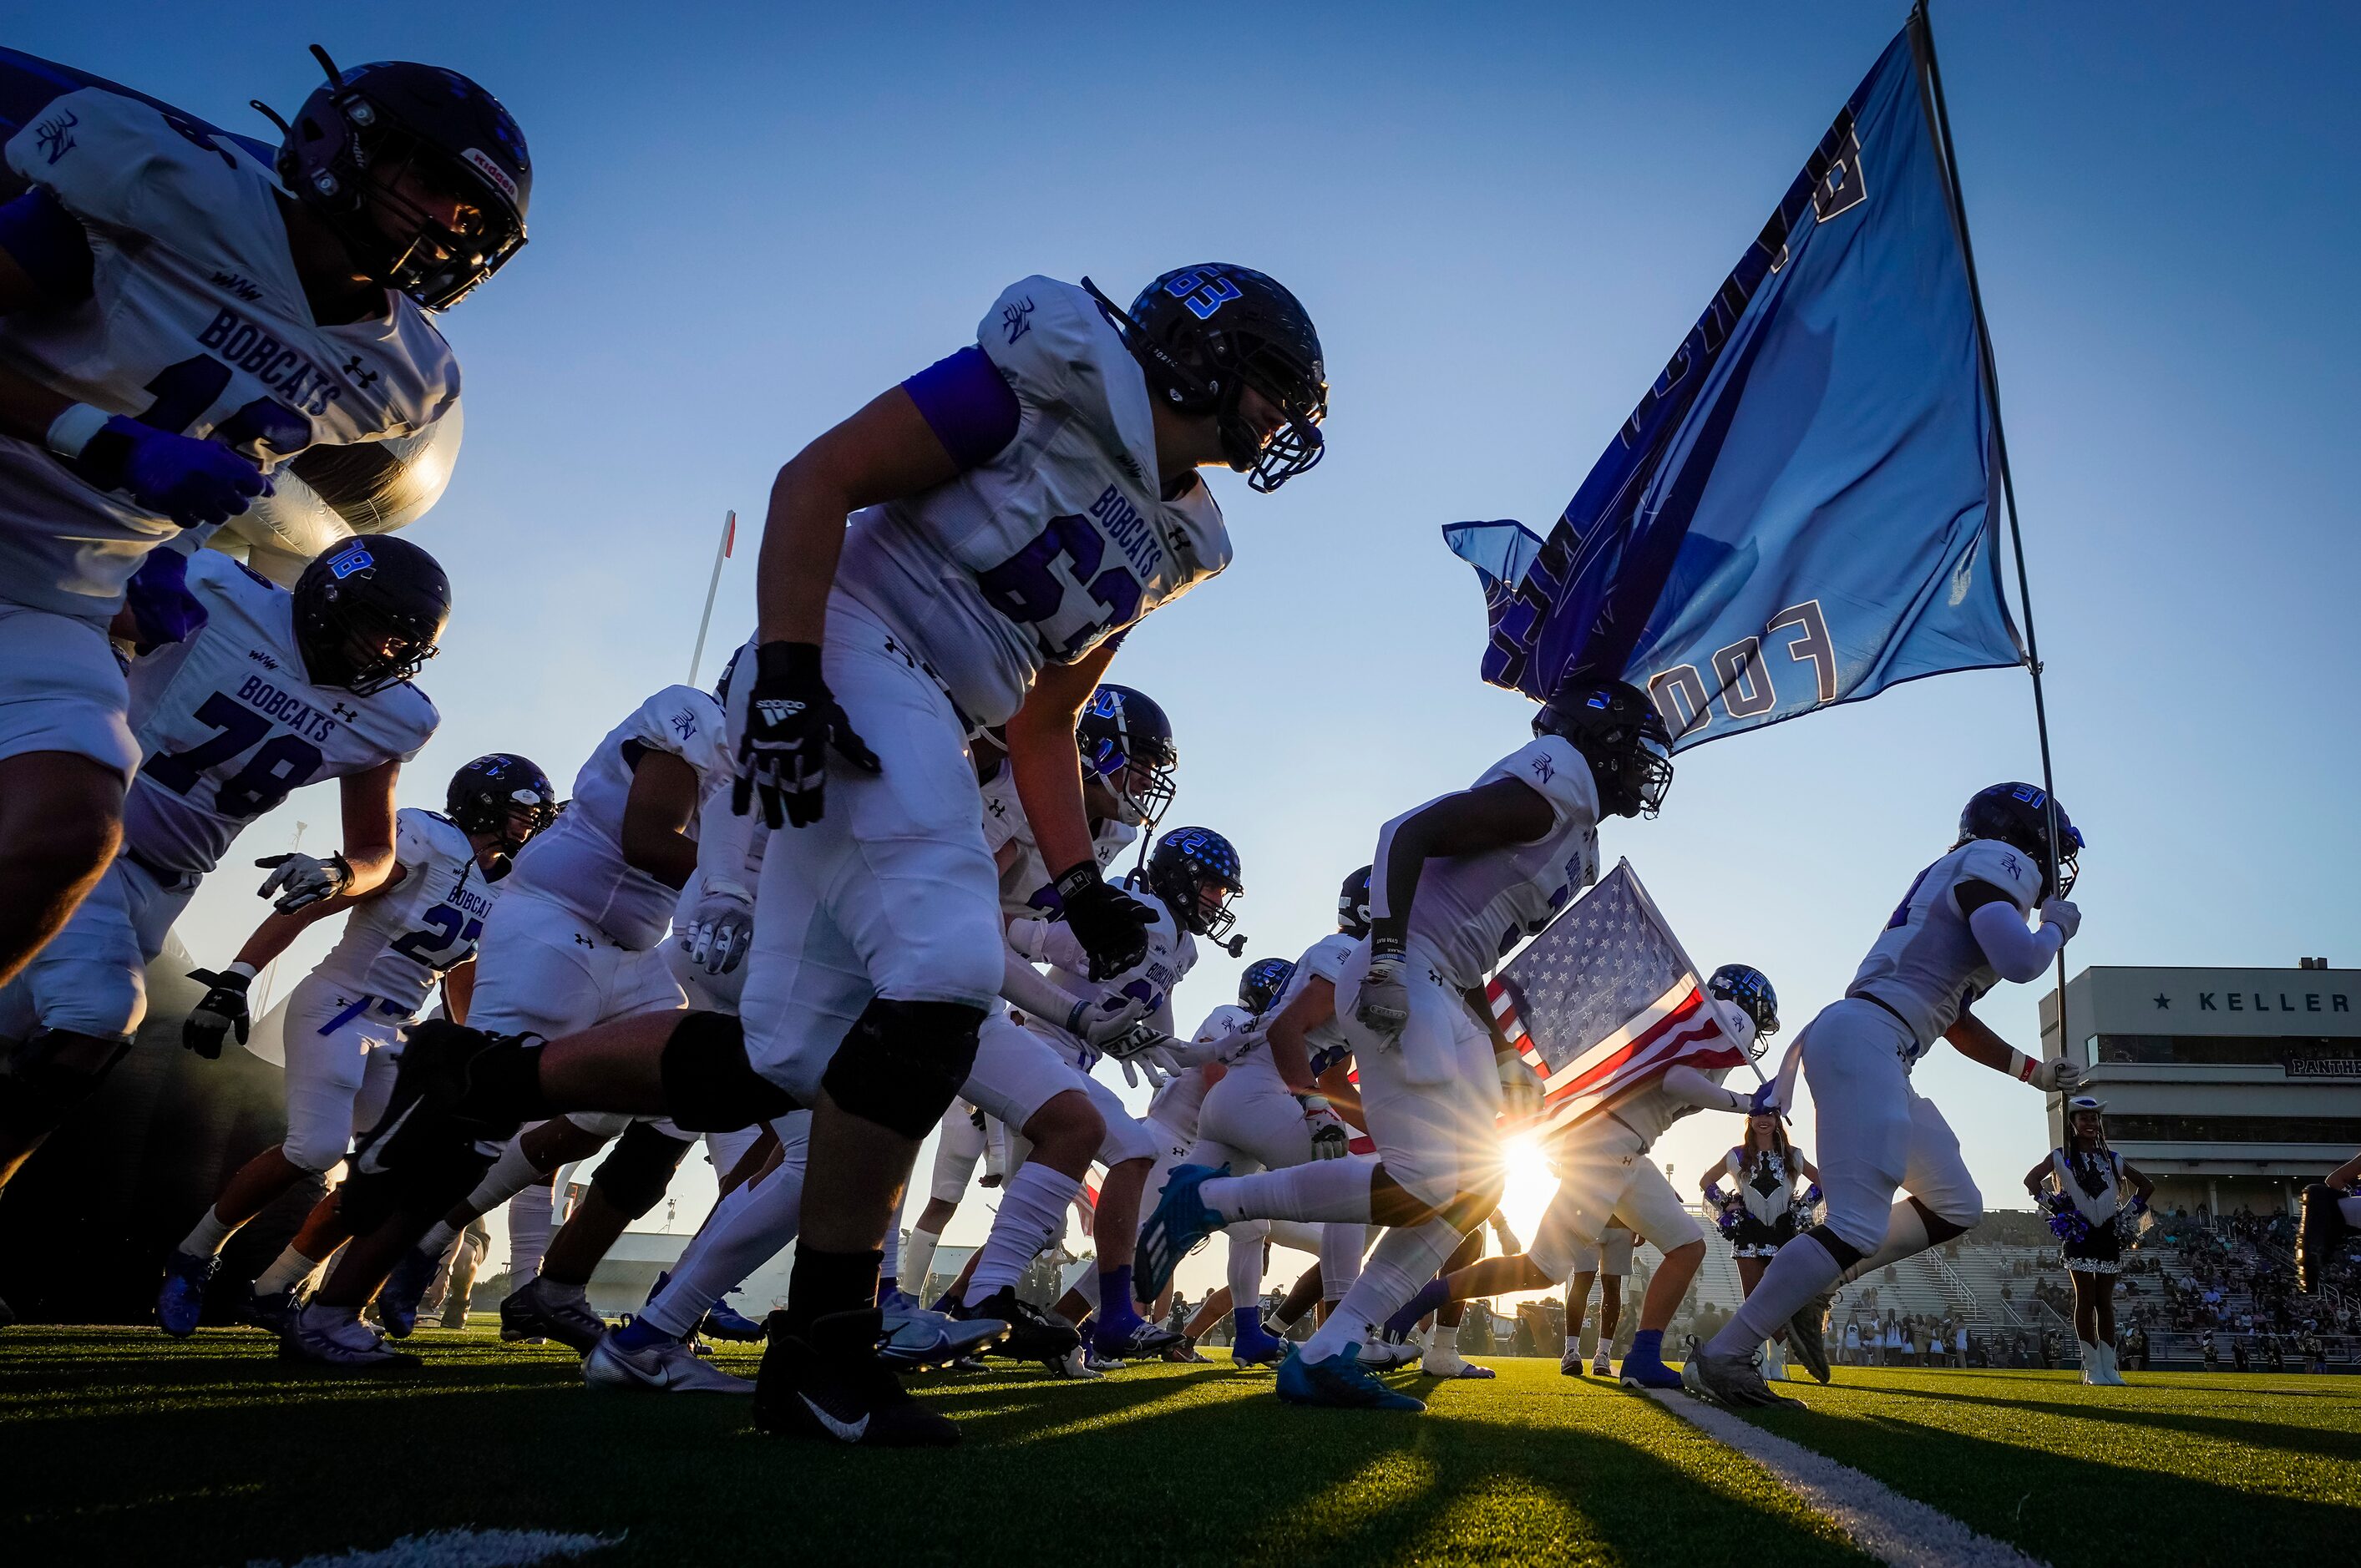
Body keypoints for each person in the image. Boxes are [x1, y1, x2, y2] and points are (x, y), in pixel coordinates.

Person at [342, 264, 1327, 1447]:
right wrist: (792, 675)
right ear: (1194, 349)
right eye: (1272, 386)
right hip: (856, 649)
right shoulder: (1044, 379)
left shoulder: (1179, 535)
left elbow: (1043, 717)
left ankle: (479, 1080)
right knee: (949, 970)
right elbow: (818, 477)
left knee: (787, 1051)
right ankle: (823, 1351)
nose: (1277, 423)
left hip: (940, 702)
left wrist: (1076, 882)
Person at [0, 48, 524, 1001]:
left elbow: (221, 448)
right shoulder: (167, 186)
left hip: (53, 598)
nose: (451, 225)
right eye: (437, 185)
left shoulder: (404, 376)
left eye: (474, 218)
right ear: (341, 142)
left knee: (70, 831)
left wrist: (165, 548)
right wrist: (93, 438)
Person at [1137, 676, 1676, 1412]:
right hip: (1407, 968)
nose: (1644, 774)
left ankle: (1333, 1348)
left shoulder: (1577, 830)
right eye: (1638, 754)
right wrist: (1386, 953)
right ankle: (1213, 1197)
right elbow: (1404, 833)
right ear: (1603, 742)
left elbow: (1478, 950)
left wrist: (1506, 1052)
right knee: (1426, 1182)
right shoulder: (1553, 784)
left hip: (1447, 986)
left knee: (1474, 1189)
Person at [0, 536, 448, 1196]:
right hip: (90, 839)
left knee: (16, 1038)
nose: (383, 653)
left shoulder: (391, 719)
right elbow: (66, 616)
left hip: (167, 886)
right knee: (98, 1011)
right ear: (329, 600)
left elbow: (378, 852)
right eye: (376, 630)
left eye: (400, 646)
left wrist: (340, 875)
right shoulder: (216, 594)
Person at [1687, 783, 2087, 1407]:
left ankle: (1819, 1283)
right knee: (1853, 1221)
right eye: (2052, 853)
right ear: (2026, 841)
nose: (2055, 872)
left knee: (1955, 1203)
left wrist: (2031, 1073)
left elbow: (1953, 1019)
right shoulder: (1993, 859)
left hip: (1878, 1044)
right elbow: (2018, 960)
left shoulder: (1965, 869)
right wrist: (2054, 930)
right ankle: (1723, 1355)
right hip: (1867, 1040)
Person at [156, 752, 555, 1333]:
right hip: (337, 1005)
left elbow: (462, 973)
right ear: (486, 802)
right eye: (524, 811)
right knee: (316, 1148)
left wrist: (473, 1045)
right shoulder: (427, 840)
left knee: (389, 1173)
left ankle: (275, 1287)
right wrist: (236, 978)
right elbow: (319, 899)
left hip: (397, 1030)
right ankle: (193, 1256)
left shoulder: (506, 887)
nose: (530, 825)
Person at [1383, 962, 1775, 1392]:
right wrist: (1745, 1101)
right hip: (1610, 1147)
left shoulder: (1696, 1023)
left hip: (1624, 1149)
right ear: (1745, 1007)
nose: (1754, 1037)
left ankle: (1643, 1356)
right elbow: (1677, 1079)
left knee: (1687, 1246)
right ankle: (1420, 1300)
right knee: (1543, 1269)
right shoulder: (1718, 1023)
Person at [1700, 1038, 1819, 1380]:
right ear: (1749, 1120)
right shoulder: (1736, 1156)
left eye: (1769, 1114)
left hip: (1784, 1232)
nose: (1763, 1121)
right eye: (1757, 1115)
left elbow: (1823, 1182)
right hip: (1748, 1233)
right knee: (1753, 1300)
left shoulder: (1793, 1155)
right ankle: (1753, 1359)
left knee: (1780, 1297)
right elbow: (1705, 1181)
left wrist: (1801, 1210)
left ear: (1777, 1118)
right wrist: (1727, 1208)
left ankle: (1777, 1361)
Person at [2025, 1095, 2152, 1386]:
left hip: (2107, 1234)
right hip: (2079, 1234)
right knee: (2086, 1299)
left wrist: (2127, 1215)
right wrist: (2058, 1210)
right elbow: (2031, 1181)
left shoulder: (2113, 1159)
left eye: (2094, 1118)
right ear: (2073, 1123)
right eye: (2084, 1118)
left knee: (2105, 1303)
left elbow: (2147, 1186)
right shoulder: (2060, 1156)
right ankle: (2092, 1369)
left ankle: (2111, 1369)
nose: (2090, 1123)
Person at [2297, 1150, 2361, 1293]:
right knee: (2317, 1193)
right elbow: (2333, 1181)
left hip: (2340, 1217)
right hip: (2335, 1213)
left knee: (2317, 1193)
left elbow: (2333, 1180)